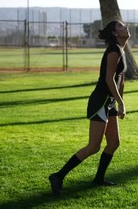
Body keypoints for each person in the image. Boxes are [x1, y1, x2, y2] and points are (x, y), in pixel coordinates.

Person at [48, 20, 130, 195]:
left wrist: (119, 102)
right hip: (100, 101)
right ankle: (58, 176)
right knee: (93, 146)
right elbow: (109, 79)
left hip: (109, 102)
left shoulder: (121, 50)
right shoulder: (113, 51)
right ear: (115, 33)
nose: (126, 28)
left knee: (114, 143)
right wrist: (121, 103)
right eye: (121, 26)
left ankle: (98, 179)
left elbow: (120, 79)